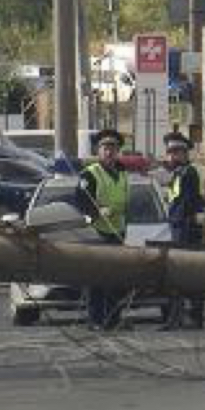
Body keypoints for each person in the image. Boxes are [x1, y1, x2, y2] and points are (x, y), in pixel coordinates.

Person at [79, 127, 130, 330]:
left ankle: (113, 319)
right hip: (97, 233)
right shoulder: (90, 174)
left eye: (113, 147)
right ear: (98, 151)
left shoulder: (123, 172)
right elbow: (81, 201)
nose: (109, 151)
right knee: (96, 277)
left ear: (118, 151)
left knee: (116, 278)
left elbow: (126, 200)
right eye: (105, 147)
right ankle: (95, 319)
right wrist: (97, 211)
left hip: (117, 231)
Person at [161, 131, 205, 329]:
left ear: (185, 153)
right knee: (180, 276)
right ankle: (181, 317)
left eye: (176, 152)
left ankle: (191, 317)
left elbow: (188, 203)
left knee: (188, 275)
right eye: (170, 152)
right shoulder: (177, 174)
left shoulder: (188, 173)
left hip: (186, 229)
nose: (172, 156)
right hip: (178, 228)